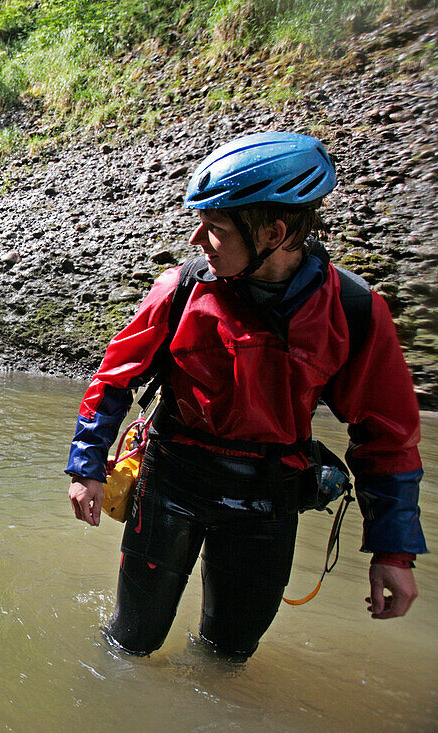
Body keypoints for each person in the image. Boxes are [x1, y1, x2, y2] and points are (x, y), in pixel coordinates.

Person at [65, 131, 427, 659]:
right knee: (129, 646)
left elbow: (388, 437)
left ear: (275, 233)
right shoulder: (181, 289)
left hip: (268, 503)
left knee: (228, 655)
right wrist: (87, 468)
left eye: (215, 229)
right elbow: (114, 379)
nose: (196, 240)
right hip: (170, 485)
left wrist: (394, 553)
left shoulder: (353, 310)